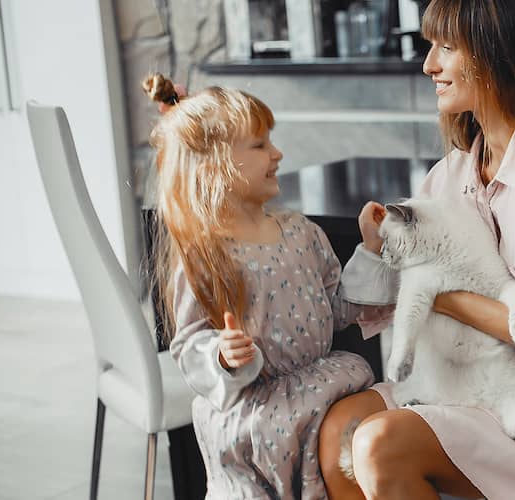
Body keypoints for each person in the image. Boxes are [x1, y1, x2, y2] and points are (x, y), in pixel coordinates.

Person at [317, 0, 515, 497]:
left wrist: (431, 290)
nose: (429, 65)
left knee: (380, 442)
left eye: (446, 48)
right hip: (459, 386)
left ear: (498, 54)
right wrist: (380, 252)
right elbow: (380, 310)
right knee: (338, 429)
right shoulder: (450, 175)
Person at [144, 73, 389, 499]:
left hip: (321, 382)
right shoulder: (207, 254)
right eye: (259, 145)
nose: (277, 153)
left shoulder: (301, 232)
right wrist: (221, 356)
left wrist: (368, 250)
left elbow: (337, 309)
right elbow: (187, 345)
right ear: (214, 163)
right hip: (257, 410)